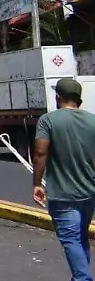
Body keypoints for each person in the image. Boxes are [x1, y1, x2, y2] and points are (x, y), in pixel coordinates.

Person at [32, 77, 95, 281]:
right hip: (89, 193)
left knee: (70, 240)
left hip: (63, 195)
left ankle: (82, 279)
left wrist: (37, 184)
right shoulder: (92, 120)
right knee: (80, 237)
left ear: (58, 97)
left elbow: (40, 153)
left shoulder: (48, 120)